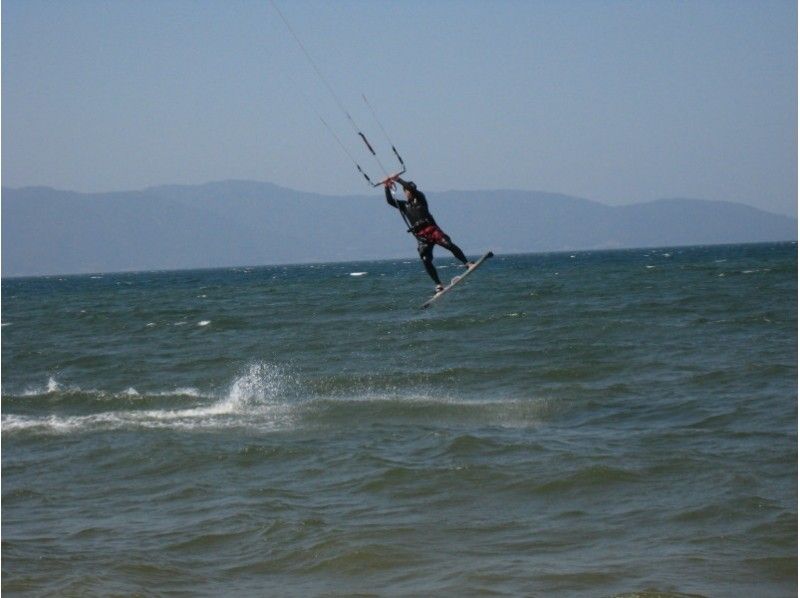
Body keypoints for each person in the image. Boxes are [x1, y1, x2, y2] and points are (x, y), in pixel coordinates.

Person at [384, 177, 473, 293]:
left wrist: (398, 179)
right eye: (407, 191)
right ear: (405, 192)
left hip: (431, 230)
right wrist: (386, 187)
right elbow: (390, 201)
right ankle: (438, 284)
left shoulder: (421, 198)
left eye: (411, 190)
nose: (410, 192)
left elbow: (411, 188)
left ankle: (467, 263)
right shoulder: (404, 206)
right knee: (425, 259)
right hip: (421, 237)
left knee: (448, 244)